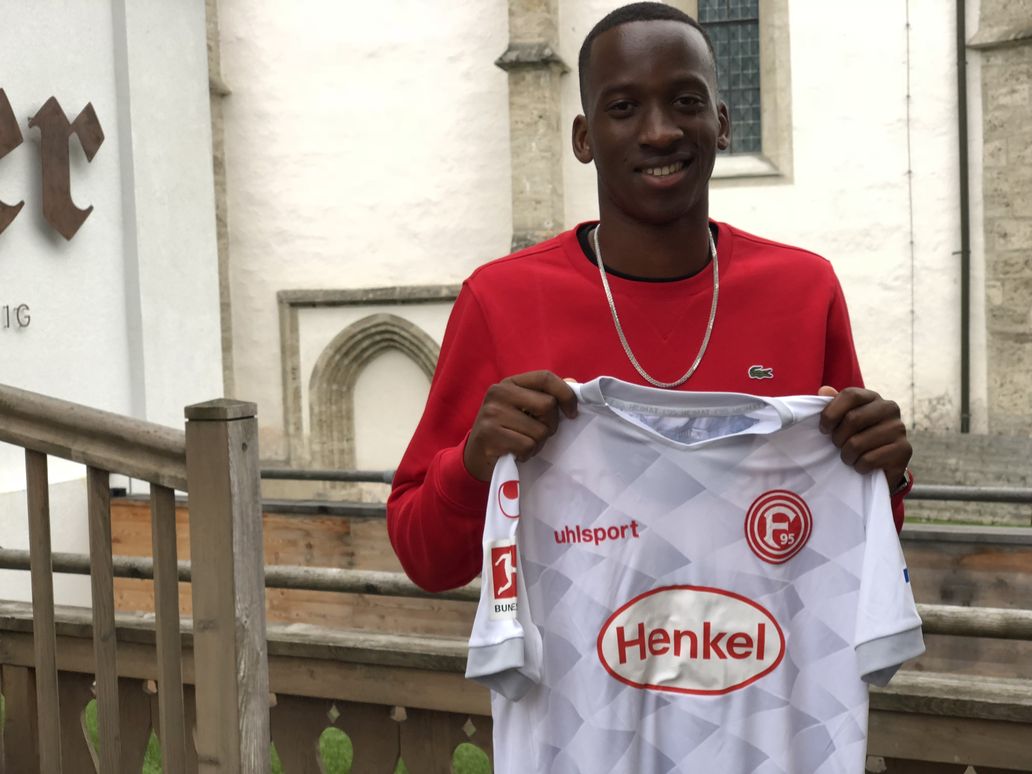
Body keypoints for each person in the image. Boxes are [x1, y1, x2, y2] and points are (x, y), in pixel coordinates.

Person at [387, 2, 912, 592]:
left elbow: (857, 539)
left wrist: (885, 474)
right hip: (580, 655)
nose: (660, 132)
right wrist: (473, 464)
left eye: (686, 102)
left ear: (722, 123)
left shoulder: (804, 289)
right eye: (623, 107)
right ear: (584, 138)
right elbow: (427, 563)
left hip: (759, 649)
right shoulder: (500, 298)